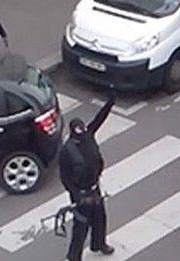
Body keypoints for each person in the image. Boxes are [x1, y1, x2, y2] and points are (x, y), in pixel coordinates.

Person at [59, 90, 116, 261]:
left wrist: (110, 102)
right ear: (72, 133)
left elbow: (99, 119)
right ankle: (74, 256)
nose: (83, 134)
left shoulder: (88, 135)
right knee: (81, 225)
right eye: (79, 133)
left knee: (100, 218)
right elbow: (65, 177)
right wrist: (76, 196)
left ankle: (99, 244)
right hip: (81, 193)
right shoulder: (67, 151)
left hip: (94, 188)